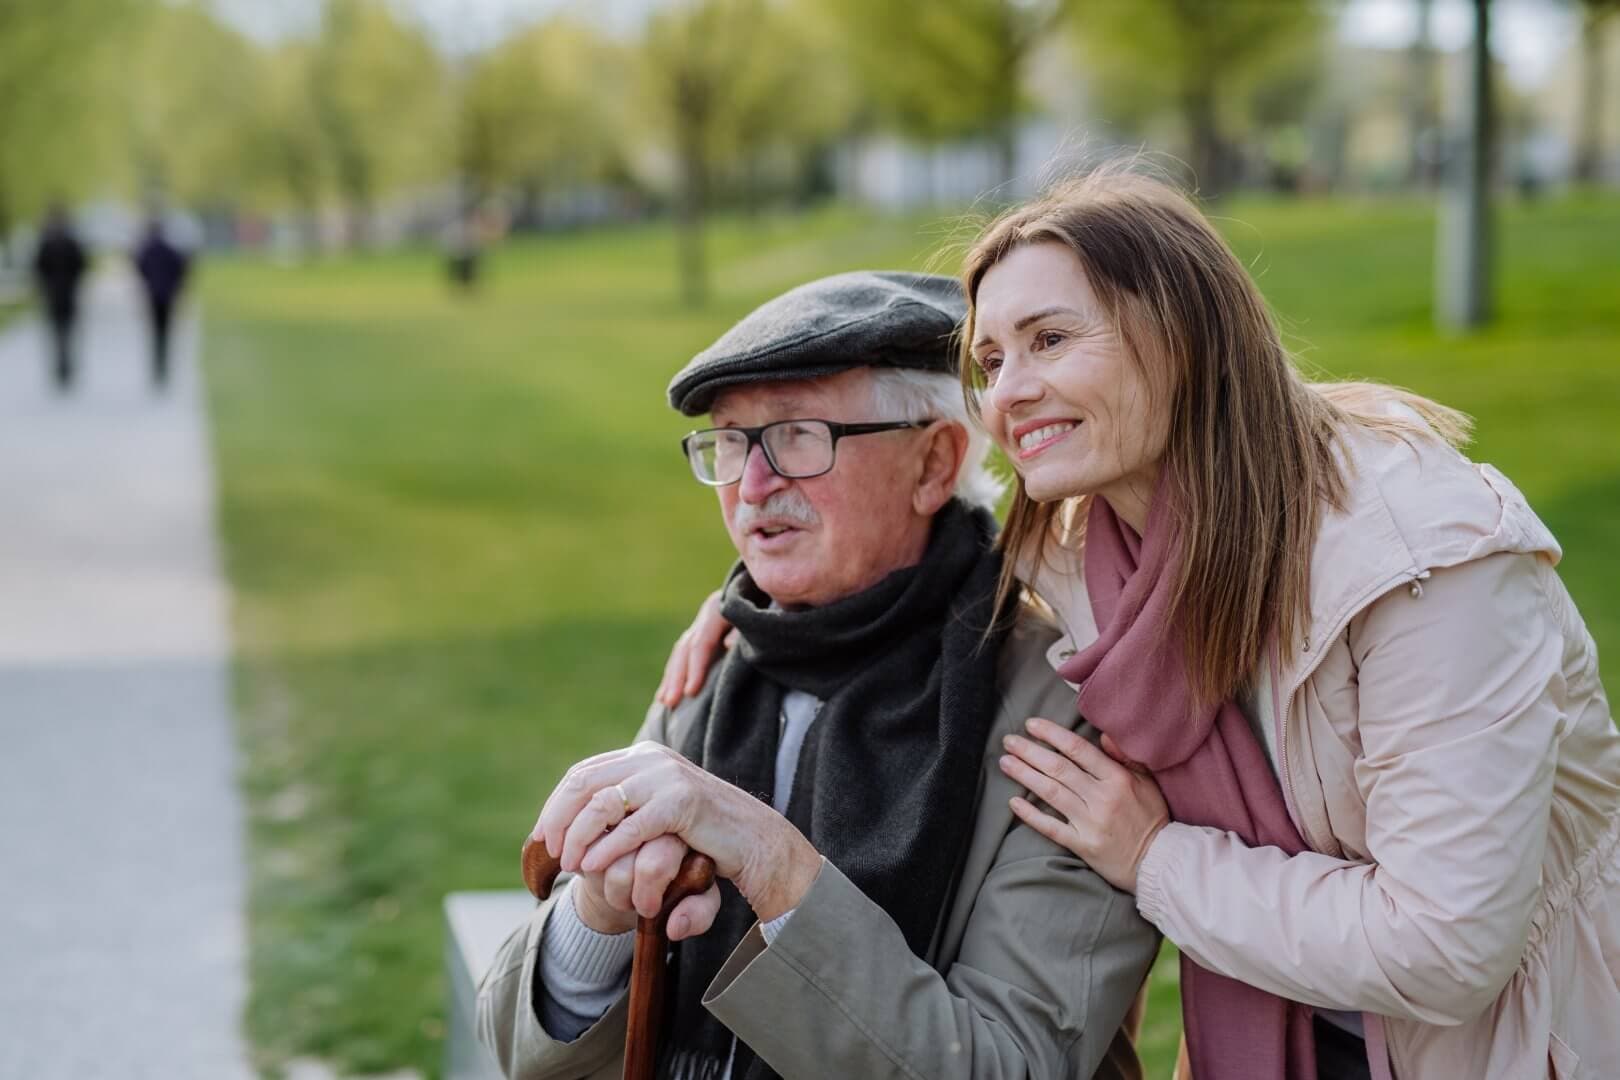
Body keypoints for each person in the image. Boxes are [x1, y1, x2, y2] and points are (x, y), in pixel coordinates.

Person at [663, 169, 1620, 1080]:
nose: (1008, 393)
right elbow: (920, 550)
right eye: (991, 361)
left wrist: (1155, 858)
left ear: (1183, 338)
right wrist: (761, 617)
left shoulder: (1425, 565)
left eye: (1049, 340)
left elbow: (1447, 948)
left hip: (1509, 1049)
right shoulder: (1093, 544)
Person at [476, 271, 1159, 1080]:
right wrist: (599, 915)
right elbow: (518, 1050)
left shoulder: (1063, 709)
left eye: (798, 436)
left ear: (934, 463)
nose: (752, 485)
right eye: (731, 442)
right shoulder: (723, 661)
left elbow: (1010, 1065)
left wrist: (772, 864)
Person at [31, 204, 89, 392]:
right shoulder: (60, 244)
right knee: (62, 333)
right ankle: (63, 367)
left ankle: (63, 367)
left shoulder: (51, 244)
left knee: (61, 333)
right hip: (60, 295)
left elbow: (39, 269)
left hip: (58, 295)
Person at [133, 218, 191, 388]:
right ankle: (162, 367)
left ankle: (157, 367)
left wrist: (149, 282)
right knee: (164, 332)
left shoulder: (148, 250)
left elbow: (140, 266)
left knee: (155, 331)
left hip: (153, 294)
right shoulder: (170, 249)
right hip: (167, 295)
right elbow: (181, 269)